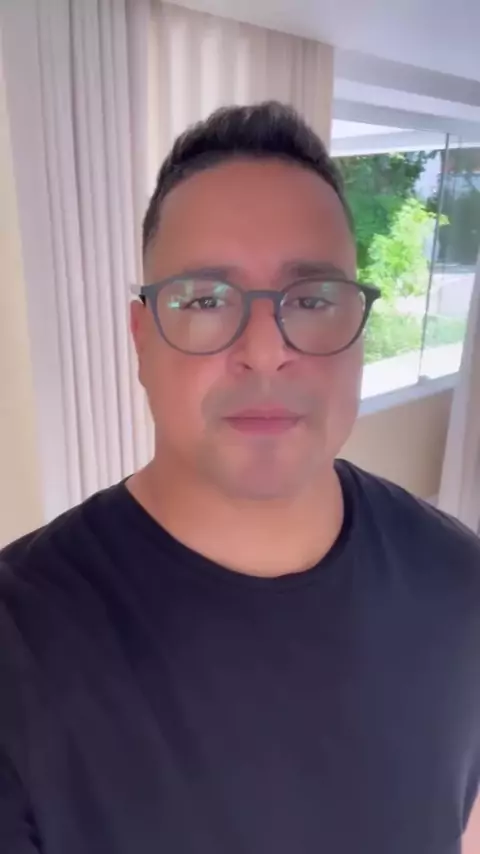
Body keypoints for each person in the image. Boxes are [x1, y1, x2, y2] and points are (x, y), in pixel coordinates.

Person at [0, 102, 479, 854]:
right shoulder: (21, 649)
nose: (264, 350)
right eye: (205, 300)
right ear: (142, 341)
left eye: (311, 300)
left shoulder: (459, 586)